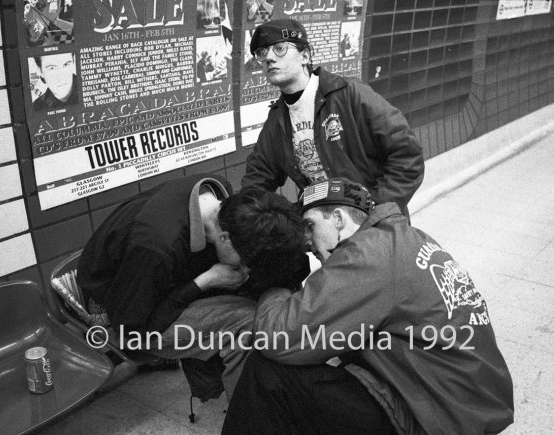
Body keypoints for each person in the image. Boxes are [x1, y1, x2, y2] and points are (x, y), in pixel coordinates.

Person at [222, 178, 514, 435]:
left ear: (337, 218)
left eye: (310, 226)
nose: (307, 241)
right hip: (467, 403)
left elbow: (278, 337)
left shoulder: (367, 255)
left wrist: (276, 280)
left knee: (269, 373)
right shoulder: (405, 238)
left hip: (441, 420)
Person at [77, 174, 255, 396]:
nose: (245, 268)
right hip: (119, 317)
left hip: (144, 284)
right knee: (246, 322)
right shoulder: (156, 247)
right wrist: (205, 281)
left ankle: (221, 387)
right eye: (245, 260)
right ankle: (246, 417)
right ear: (225, 238)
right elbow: (132, 328)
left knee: (251, 293)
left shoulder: (217, 195)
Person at [242, 19, 424, 218]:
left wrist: (374, 211)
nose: (269, 57)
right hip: (325, 232)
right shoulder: (277, 119)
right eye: (262, 52)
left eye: (279, 48)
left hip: (376, 228)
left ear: (305, 55)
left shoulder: (350, 94)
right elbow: (257, 178)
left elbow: (407, 155)